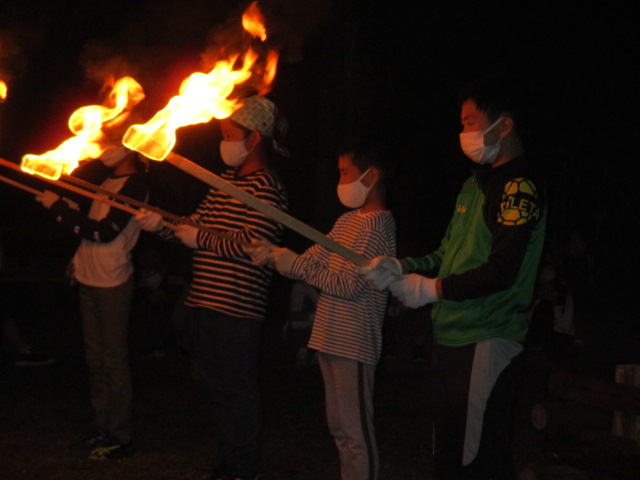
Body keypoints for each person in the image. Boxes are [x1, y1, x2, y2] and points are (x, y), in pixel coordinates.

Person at [361, 74, 546, 479]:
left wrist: (431, 289)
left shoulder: (519, 190)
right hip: (449, 336)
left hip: (487, 338)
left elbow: (502, 271)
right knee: (447, 455)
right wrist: (404, 267)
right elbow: (447, 254)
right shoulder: (472, 185)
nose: (463, 132)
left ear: (505, 125)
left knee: (478, 460)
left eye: (469, 122)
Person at [135, 95, 289, 480]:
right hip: (204, 301)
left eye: (228, 134)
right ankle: (228, 461)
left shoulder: (267, 188)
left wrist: (199, 239)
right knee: (217, 389)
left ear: (254, 139)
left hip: (238, 310)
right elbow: (193, 224)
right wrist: (162, 224)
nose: (224, 142)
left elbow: (255, 247)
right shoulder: (223, 184)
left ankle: (244, 467)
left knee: (239, 390)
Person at [245, 140, 397, 480]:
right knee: (339, 428)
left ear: (371, 176)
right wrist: (274, 253)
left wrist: (295, 264)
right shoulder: (348, 221)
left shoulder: (378, 226)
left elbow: (349, 285)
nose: (340, 181)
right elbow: (314, 257)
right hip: (330, 337)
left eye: (345, 173)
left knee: (356, 431)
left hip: (354, 342)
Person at [35, 146, 149, 460]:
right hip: (89, 277)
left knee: (112, 360)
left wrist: (60, 208)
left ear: (128, 147)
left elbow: (105, 233)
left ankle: (120, 436)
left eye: (110, 141)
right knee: (95, 359)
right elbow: (91, 227)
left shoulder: (136, 185)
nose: (102, 147)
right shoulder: (106, 181)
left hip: (112, 282)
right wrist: (77, 257)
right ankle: (102, 427)